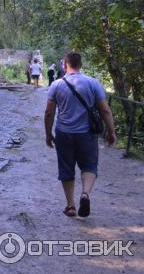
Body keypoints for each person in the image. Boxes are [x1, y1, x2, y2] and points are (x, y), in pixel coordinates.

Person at [44, 52, 116, 218]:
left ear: (65, 65)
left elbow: (49, 113)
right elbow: (105, 109)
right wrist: (111, 131)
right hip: (87, 134)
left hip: (64, 133)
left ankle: (70, 205)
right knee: (89, 166)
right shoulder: (93, 83)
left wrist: (48, 134)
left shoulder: (56, 84)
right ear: (80, 65)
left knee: (66, 168)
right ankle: (85, 194)